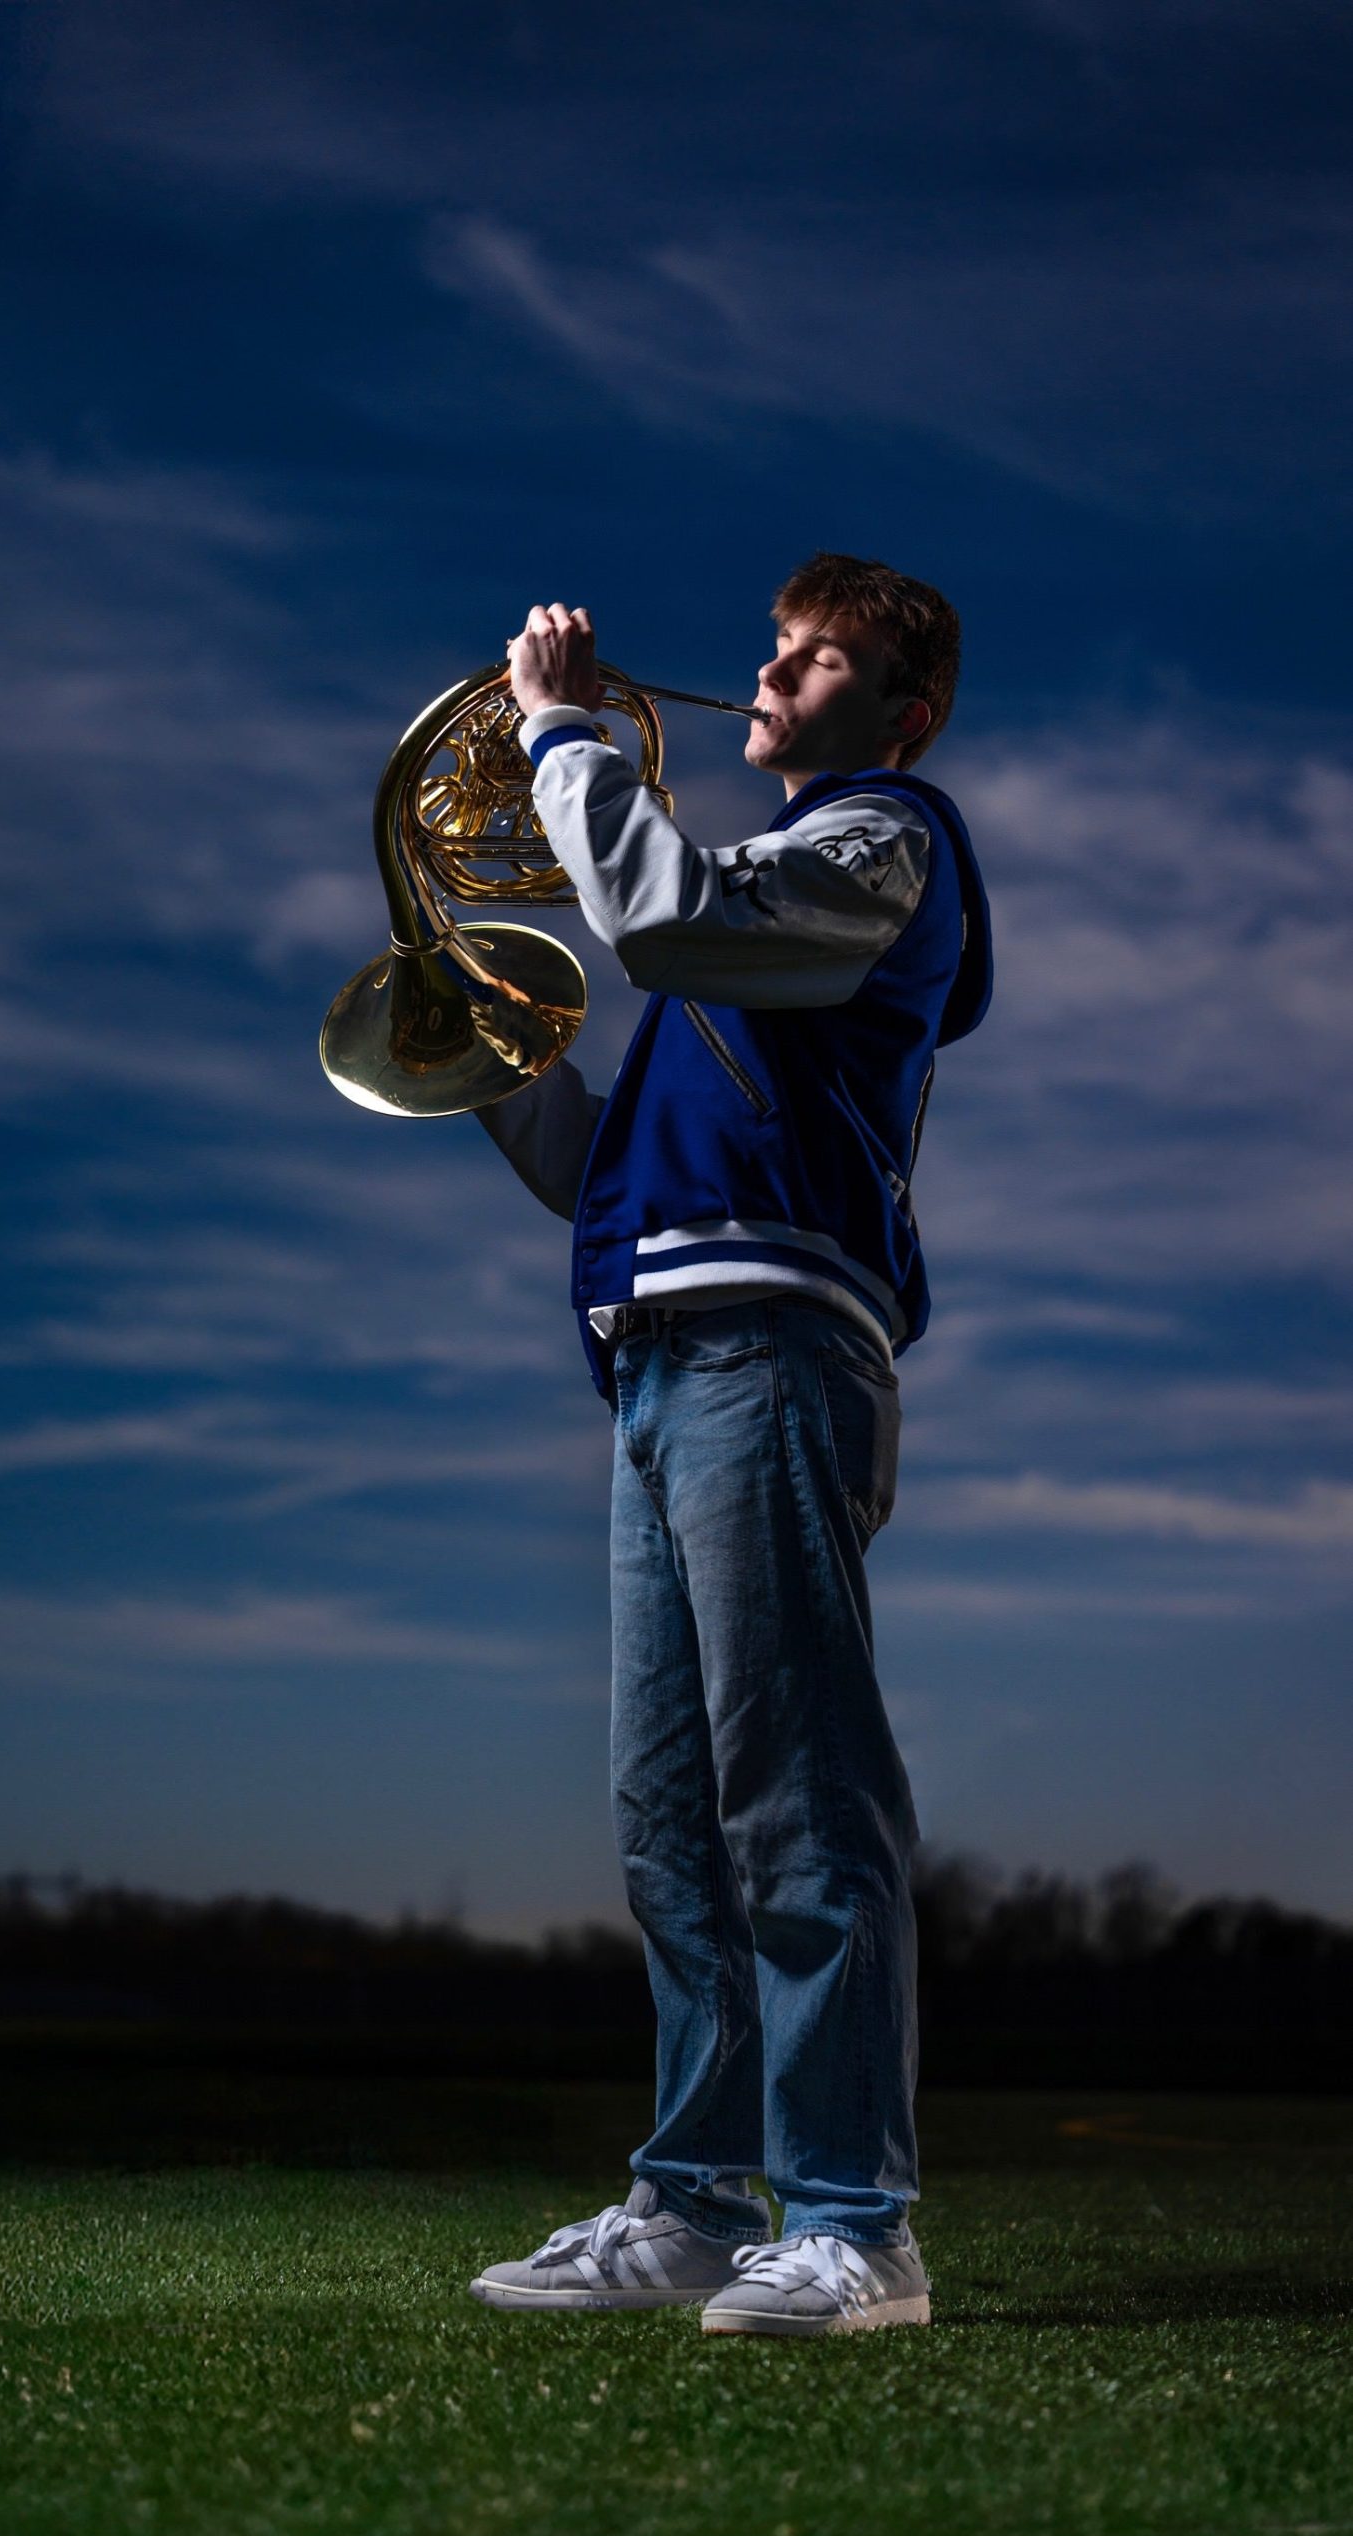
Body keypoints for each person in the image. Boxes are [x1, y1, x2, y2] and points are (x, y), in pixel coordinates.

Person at [467, 553, 992, 2338]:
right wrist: (484, 1045)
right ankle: (691, 2204)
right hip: (657, 1353)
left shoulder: (879, 842)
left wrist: (559, 734)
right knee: (670, 1816)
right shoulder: (731, 928)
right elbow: (597, 1173)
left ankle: (853, 2224)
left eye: (818, 658)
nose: (769, 672)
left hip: (772, 1341)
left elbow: (660, 916)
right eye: (775, 645)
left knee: (793, 1793)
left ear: (903, 716)